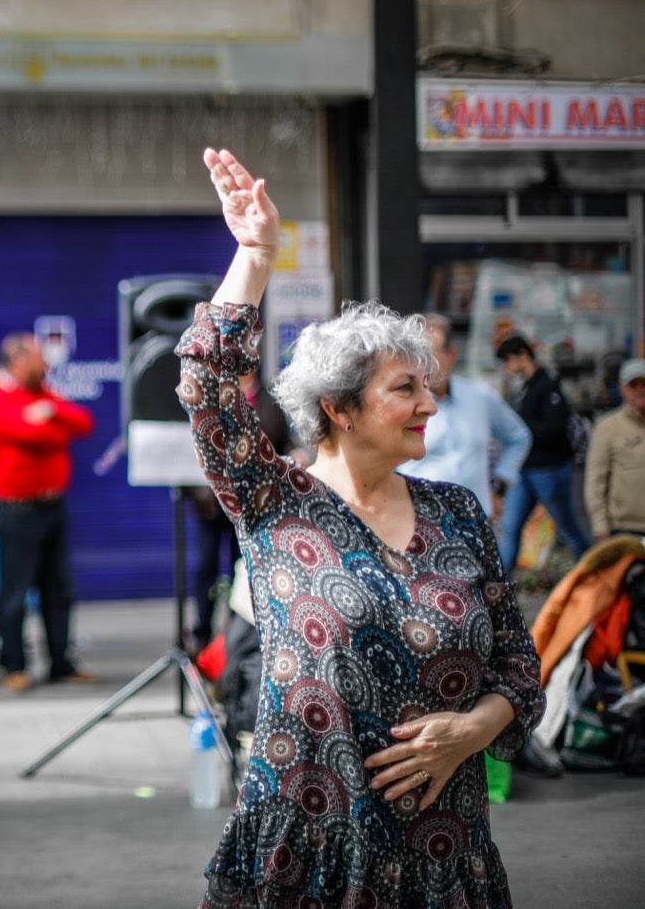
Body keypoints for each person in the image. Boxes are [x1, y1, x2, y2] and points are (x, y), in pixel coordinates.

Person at [180, 148, 544, 909]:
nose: (429, 406)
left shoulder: (456, 511)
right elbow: (208, 384)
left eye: (429, 386)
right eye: (405, 389)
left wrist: (475, 730)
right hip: (311, 856)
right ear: (339, 408)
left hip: (446, 855)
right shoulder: (275, 500)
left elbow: (519, 667)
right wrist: (255, 255)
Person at [0, 331, 96, 692]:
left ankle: (61, 663)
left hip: (51, 506)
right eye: (38, 356)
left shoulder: (43, 395)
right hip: (17, 510)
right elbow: (28, 433)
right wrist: (52, 428)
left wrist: (52, 411)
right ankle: (15, 665)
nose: (45, 363)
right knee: (15, 591)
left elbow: (83, 422)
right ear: (17, 360)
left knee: (58, 589)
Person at [183, 369, 291, 651]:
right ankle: (201, 633)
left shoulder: (269, 399)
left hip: (251, 502)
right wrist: (197, 491)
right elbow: (194, 447)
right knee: (205, 567)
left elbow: (281, 442)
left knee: (242, 569)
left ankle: (232, 636)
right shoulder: (211, 396)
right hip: (211, 503)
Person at [396, 314, 531, 520]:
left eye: (430, 352)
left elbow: (519, 437)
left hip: (475, 522)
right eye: (415, 354)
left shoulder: (480, 397)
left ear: (451, 355)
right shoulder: (400, 404)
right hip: (421, 524)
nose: (422, 362)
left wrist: (499, 485)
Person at [495, 333, 591, 573]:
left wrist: (521, 430)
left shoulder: (547, 385)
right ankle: (498, 589)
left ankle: (595, 575)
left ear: (522, 356)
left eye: (509, 360)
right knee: (510, 528)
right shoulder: (526, 387)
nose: (508, 367)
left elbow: (556, 426)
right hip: (525, 471)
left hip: (549, 470)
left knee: (568, 528)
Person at [585, 357, 645, 541]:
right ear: (622, 389)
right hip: (624, 529)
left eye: (644, 384)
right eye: (633, 385)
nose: (640, 390)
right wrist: (600, 526)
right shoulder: (608, 428)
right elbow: (595, 481)